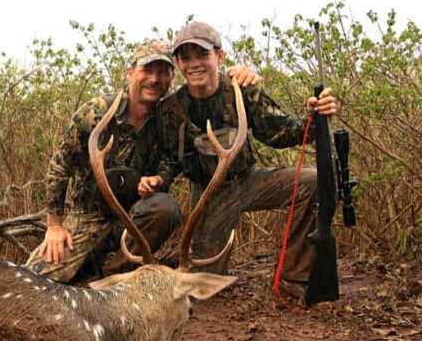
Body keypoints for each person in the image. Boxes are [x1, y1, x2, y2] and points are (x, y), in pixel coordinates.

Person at [26, 40, 258, 283]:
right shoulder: (98, 112)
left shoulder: (168, 115)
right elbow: (59, 166)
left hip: (136, 217)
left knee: (165, 208)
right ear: (130, 72)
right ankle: (90, 273)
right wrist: (54, 226)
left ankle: (115, 280)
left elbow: (172, 159)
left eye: (163, 73)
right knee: (34, 280)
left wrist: (159, 179)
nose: (154, 79)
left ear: (171, 78)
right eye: (147, 70)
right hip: (89, 217)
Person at [157, 21, 339, 300]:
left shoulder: (243, 90)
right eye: (185, 57)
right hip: (208, 196)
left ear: (219, 56)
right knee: (204, 290)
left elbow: (282, 133)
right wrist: (156, 180)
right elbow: (169, 160)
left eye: (202, 55)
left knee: (313, 181)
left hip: (250, 180)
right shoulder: (170, 108)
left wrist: (315, 116)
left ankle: (293, 279)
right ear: (178, 63)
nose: (194, 63)